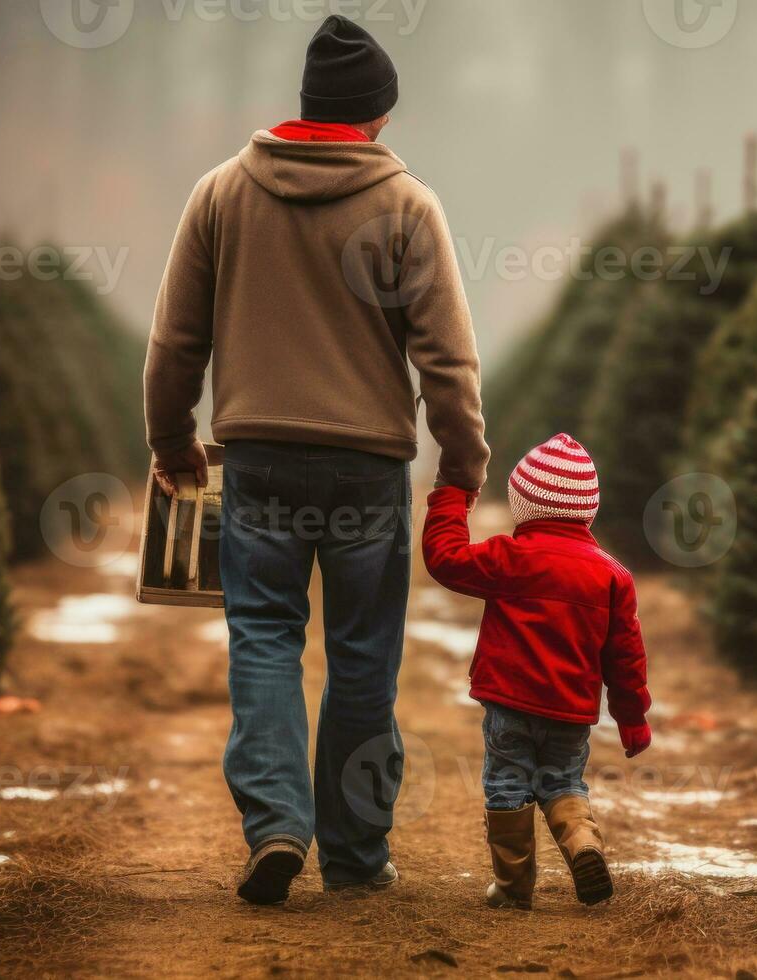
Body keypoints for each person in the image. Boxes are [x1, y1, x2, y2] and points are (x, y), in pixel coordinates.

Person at [142, 15, 488, 905]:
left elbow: (175, 339)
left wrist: (172, 438)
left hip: (256, 458)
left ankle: (276, 828)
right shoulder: (408, 206)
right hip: (369, 469)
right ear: (375, 117)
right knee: (364, 658)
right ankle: (357, 854)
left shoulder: (221, 192)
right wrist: (463, 464)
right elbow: (446, 358)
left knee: (262, 639)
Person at [420, 433, 651, 908]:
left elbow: (445, 560)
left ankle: (512, 888)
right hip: (571, 713)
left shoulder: (510, 558)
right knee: (563, 784)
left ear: (523, 505)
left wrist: (451, 498)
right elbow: (625, 657)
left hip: (509, 705)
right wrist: (632, 718)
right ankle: (583, 844)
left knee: (507, 784)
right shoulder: (611, 575)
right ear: (588, 509)